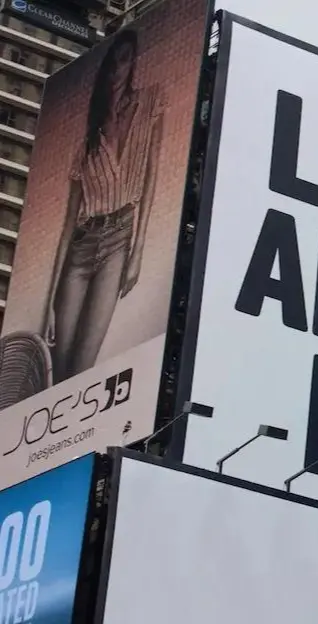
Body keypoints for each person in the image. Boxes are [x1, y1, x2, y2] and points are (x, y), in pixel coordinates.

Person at [43, 28, 165, 383]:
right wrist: (50, 300)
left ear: (134, 64)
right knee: (60, 363)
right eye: (112, 62)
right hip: (80, 246)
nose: (117, 70)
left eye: (125, 60)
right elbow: (68, 223)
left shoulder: (150, 104)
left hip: (118, 240)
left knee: (82, 368)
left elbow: (152, 178)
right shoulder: (87, 141)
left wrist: (137, 253)